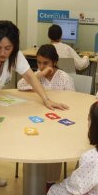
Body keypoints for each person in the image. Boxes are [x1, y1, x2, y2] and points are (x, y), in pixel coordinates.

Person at [17, 43, 74, 187]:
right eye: (39, 62)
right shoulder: (37, 75)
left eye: (46, 63)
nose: (41, 66)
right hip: (38, 119)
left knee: (55, 145)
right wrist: (39, 74)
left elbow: (73, 101)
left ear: (54, 62)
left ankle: (50, 182)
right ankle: (32, 181)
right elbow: (20, 85)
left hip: (57, 120)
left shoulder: (64, 78)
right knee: (31, 143)